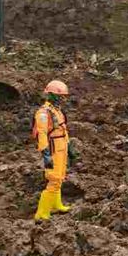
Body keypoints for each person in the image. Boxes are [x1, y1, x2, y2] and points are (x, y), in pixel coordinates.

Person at [32, 80, 77, 221]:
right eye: (60, 96)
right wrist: (46, 154)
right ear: (51, 95)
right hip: (53, 148)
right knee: (54, 178)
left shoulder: (57, 111)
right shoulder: (43, 113)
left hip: (61, 145)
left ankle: (56, 205)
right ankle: (42, 213)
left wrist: (69, 148)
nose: (63, 99)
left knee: (60, 177)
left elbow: (63, 129)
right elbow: (42, 134)